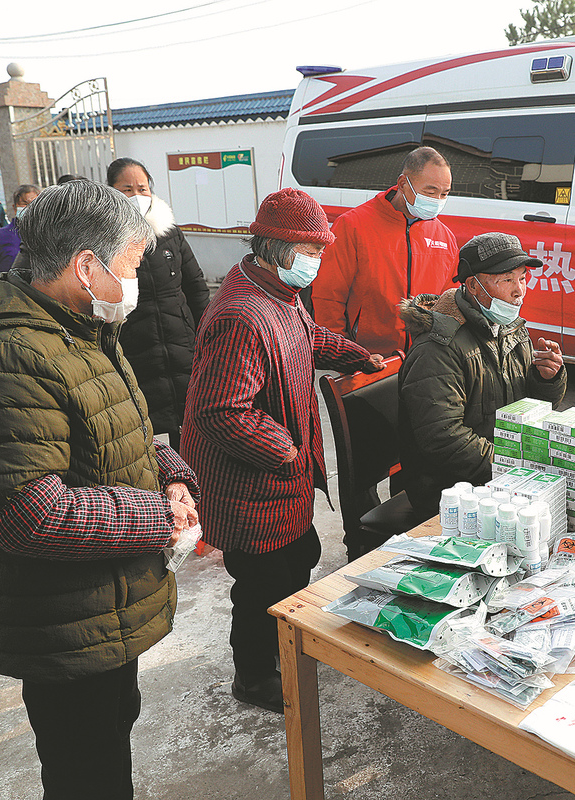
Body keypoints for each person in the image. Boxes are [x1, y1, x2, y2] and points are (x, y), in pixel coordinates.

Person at [0, 180, 200, 799]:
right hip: (61, 619)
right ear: (87, 267)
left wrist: (170, 472)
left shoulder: (78, 327)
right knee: (86, 769)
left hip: (101, 606)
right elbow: (27, 513)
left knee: (108, 741)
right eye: (132, 264)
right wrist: (157, 518)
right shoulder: (7, 355)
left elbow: (115, 427)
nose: (137, 280)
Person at [181, 188, 384, 713]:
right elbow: (222, 411)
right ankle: (253, 678)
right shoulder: (241, 314)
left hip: (281, 476)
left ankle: (280, 650)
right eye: (311, 252)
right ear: (276, 247)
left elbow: (309, 338)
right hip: (252, 482)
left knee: (300, 559)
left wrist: (358, 355)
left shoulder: (278, 294)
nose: (318, 261)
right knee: (262, 582)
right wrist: (287, 450)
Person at [398, 231, 567, 522]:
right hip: (451, 490)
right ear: (474, 286)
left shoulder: (509, 326)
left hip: (497, 475)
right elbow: (444, 438)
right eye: (506, 280)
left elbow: (527, 407)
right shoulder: (438, 348)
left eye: (522, 278)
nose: (519, 291)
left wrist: (548, 379)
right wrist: (512, 465)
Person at [107, 157, 213, 451]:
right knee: (143, 430)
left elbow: (196, 288)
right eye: (127, 189)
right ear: (111, 192)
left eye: (142, 188)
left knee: (189, 425)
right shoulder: (104, 240)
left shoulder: (170, 232)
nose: (137, 196)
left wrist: (206, 337)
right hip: (134, 349)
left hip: (181, 345)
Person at [312, 146, 458, 354]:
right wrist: (340, 352)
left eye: (444, 193)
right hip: (365, 358)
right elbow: (328, 294)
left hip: (424, 358)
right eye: (430, 191)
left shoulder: (444, 236)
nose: (437, 200)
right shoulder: (353, 225)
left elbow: (449, 301)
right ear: (402, 184)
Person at [0, 184, 39, 281]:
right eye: (25, 203)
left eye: (35, 204)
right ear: (14, 208)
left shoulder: (50, 237)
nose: (30, 208)